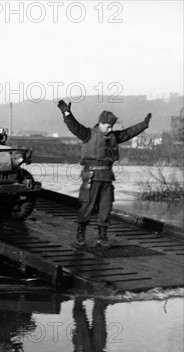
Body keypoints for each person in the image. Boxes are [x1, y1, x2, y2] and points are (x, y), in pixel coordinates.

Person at [57, 100, 151, 247]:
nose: (110, 129)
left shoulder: (113, 136)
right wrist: (66, 113)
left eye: (112, 127)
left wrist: (143, 125)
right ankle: (80, 234)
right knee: (87, 206)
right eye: (108, 126)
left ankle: (102, 236)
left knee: (106, 208)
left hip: (107, 179)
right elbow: (73, 126)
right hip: (91, 178)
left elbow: (128, 133)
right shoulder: (87, 134)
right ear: (100, 123)